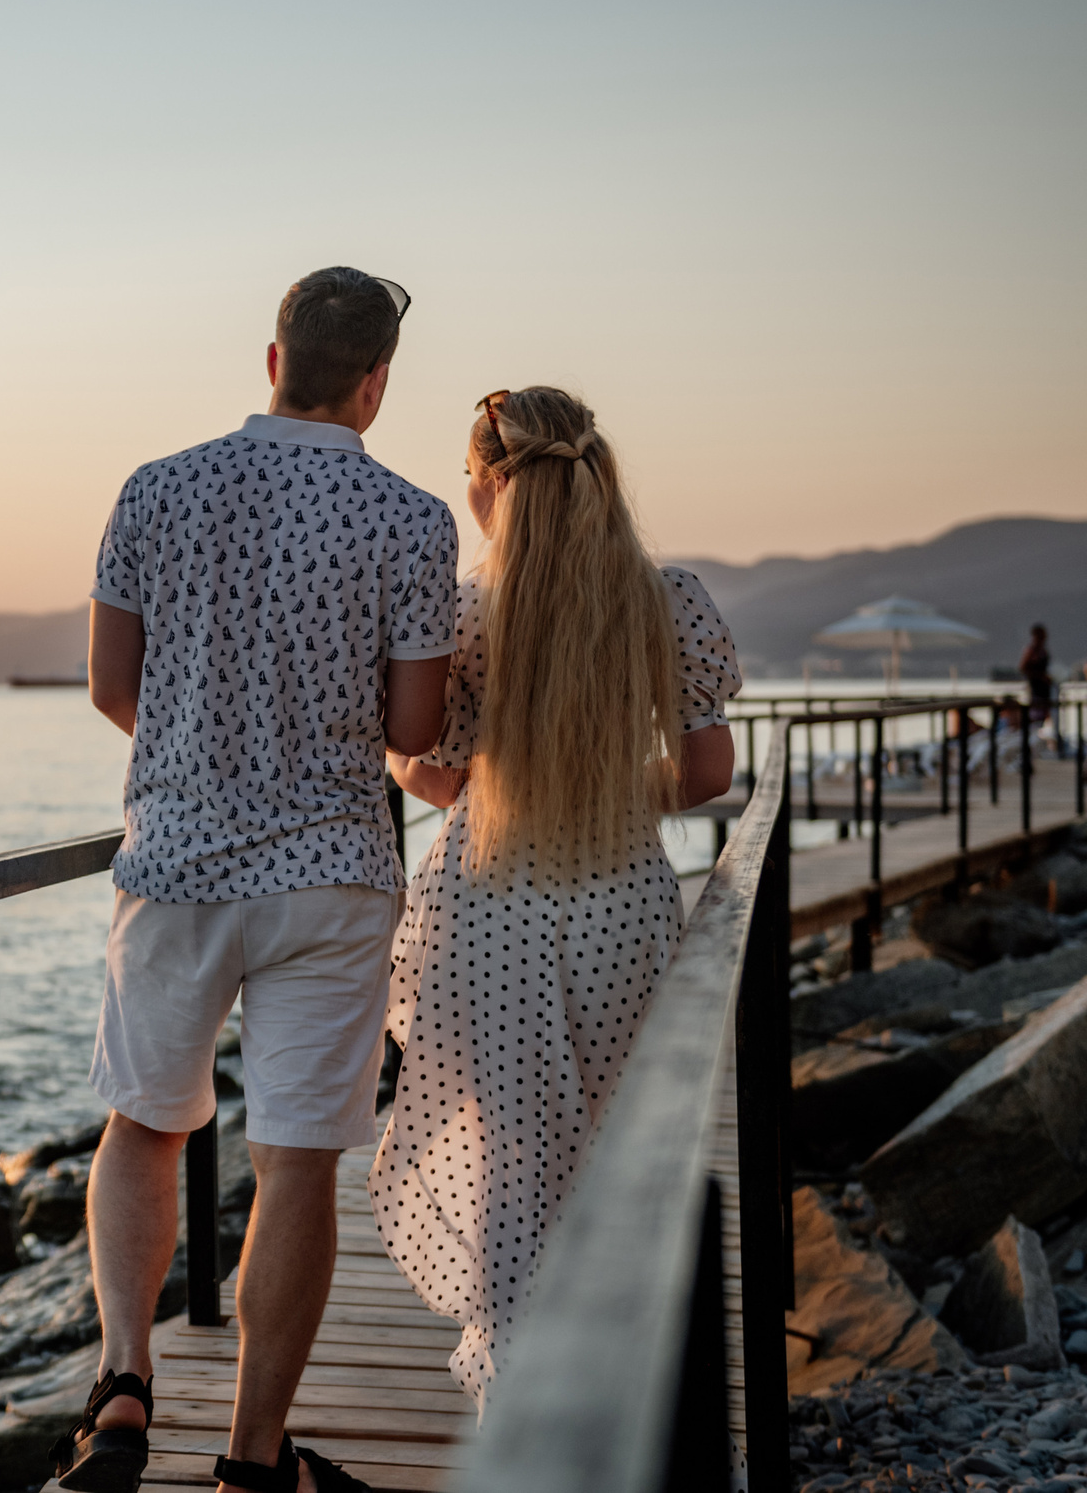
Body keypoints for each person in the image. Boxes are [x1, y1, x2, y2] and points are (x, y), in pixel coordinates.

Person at [58, 266, 457, 1493]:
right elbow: (414, 720)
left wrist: (203, 761)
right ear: (376, 382)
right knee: (296, 1160)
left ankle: (125, 1386)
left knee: (142, 1122)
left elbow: (109, 686)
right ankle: (247, 1459)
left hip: (174, 863)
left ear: (272, 356)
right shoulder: (413, 520)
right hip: (331, 875)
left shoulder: (155, 489)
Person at [367, 385, 738, 1414]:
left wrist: (455, 780)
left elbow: (423, 761)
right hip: (619, 903)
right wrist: (610, 790)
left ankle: (517, 1411)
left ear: (490, 489)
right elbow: (707, 773)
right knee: (618, 1153)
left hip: (488, 910)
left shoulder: (467, 612)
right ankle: (617, 1393)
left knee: (509, 1171)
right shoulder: (668, 600)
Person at [1020, 624, 1054, 744]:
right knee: (1036, 716)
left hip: (1044, 690)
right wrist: (1040, 676)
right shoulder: (1032, 650)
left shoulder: (1042, 650)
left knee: (1044, 715)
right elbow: (1023, 667)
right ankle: (1031, 740)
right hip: (1036, 689)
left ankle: (1038, 739)